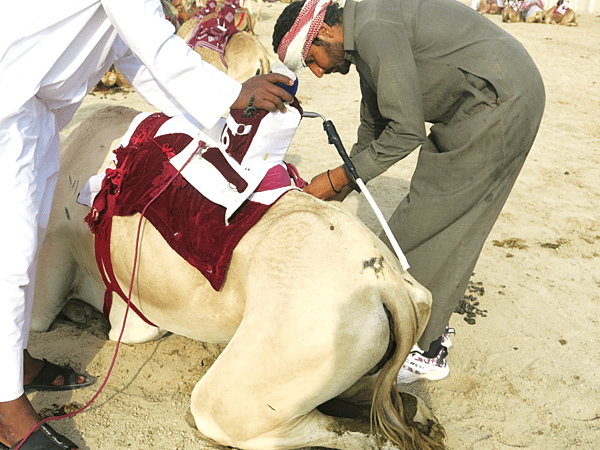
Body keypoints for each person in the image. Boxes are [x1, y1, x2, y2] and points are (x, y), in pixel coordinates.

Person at [0, 0, 294, 448]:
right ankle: (5, 412)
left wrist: (227, 122)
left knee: (28, 240)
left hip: (32, 112)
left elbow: (137, 59)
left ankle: (11, 364)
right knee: (11, 255)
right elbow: (153, 44)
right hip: (9, 104)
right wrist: (233, 94)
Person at [273, 0, 545, 383]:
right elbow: (375, 128)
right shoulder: (361, 37)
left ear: (326, 31)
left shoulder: (372, 28)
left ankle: (427, 348)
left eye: (311, 59)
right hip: (478, 101)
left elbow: (406, 132)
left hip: (499, 100)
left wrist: (335, 179)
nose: (317, 73)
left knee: (432, 221)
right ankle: (425, 330)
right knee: (437, 215)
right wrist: (344, 185)